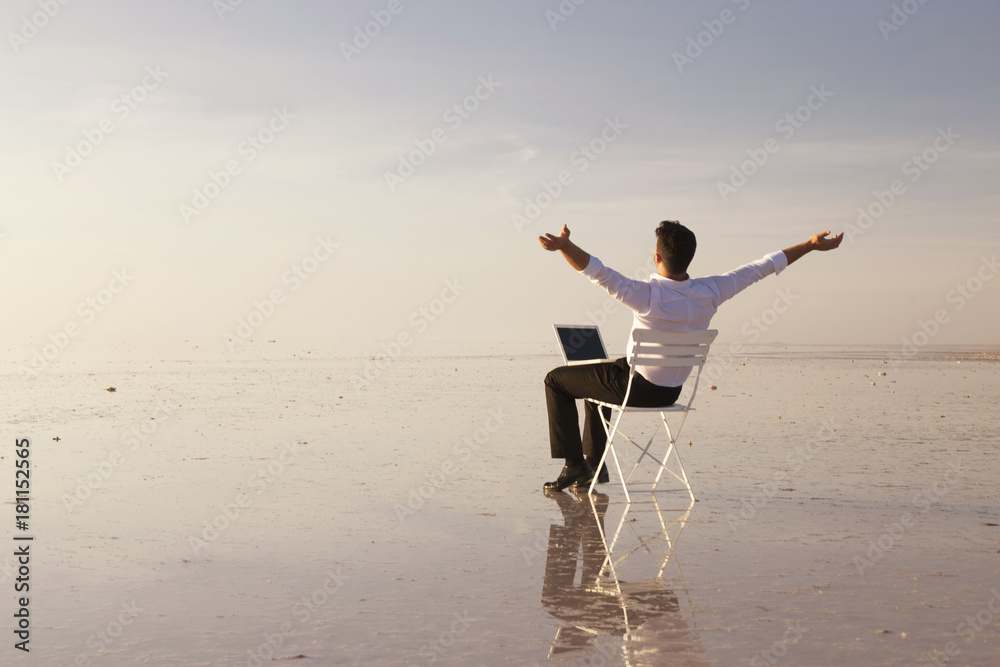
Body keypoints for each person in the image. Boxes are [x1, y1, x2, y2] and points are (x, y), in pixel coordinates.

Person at [538, 221, 843, 491]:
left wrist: (565, 246)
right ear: (689, 258)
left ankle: (576, 464)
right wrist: (810, 246)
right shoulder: (712, 290)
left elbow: (596, 271)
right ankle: (595, 464)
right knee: (597, 374)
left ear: (657, 257)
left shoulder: (646, 295)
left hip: (638, 389)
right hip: (672, 391)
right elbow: (760, 267)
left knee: (555, 381)